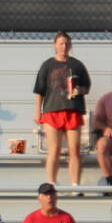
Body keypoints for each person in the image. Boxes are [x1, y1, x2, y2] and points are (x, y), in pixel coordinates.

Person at [30, 32, 91, 187]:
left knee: (74, 150)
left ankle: (75, 184)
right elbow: (39, 91)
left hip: (73, 110)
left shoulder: (77, 65)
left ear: (70, 46)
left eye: (66, 43)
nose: (64, 46)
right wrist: (38, 112)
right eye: (61, 43)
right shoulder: (47, 65)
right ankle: (51, 182)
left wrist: (79, 90)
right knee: (54, 149)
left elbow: (87, 87)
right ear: (55, 45)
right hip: (52, 110)